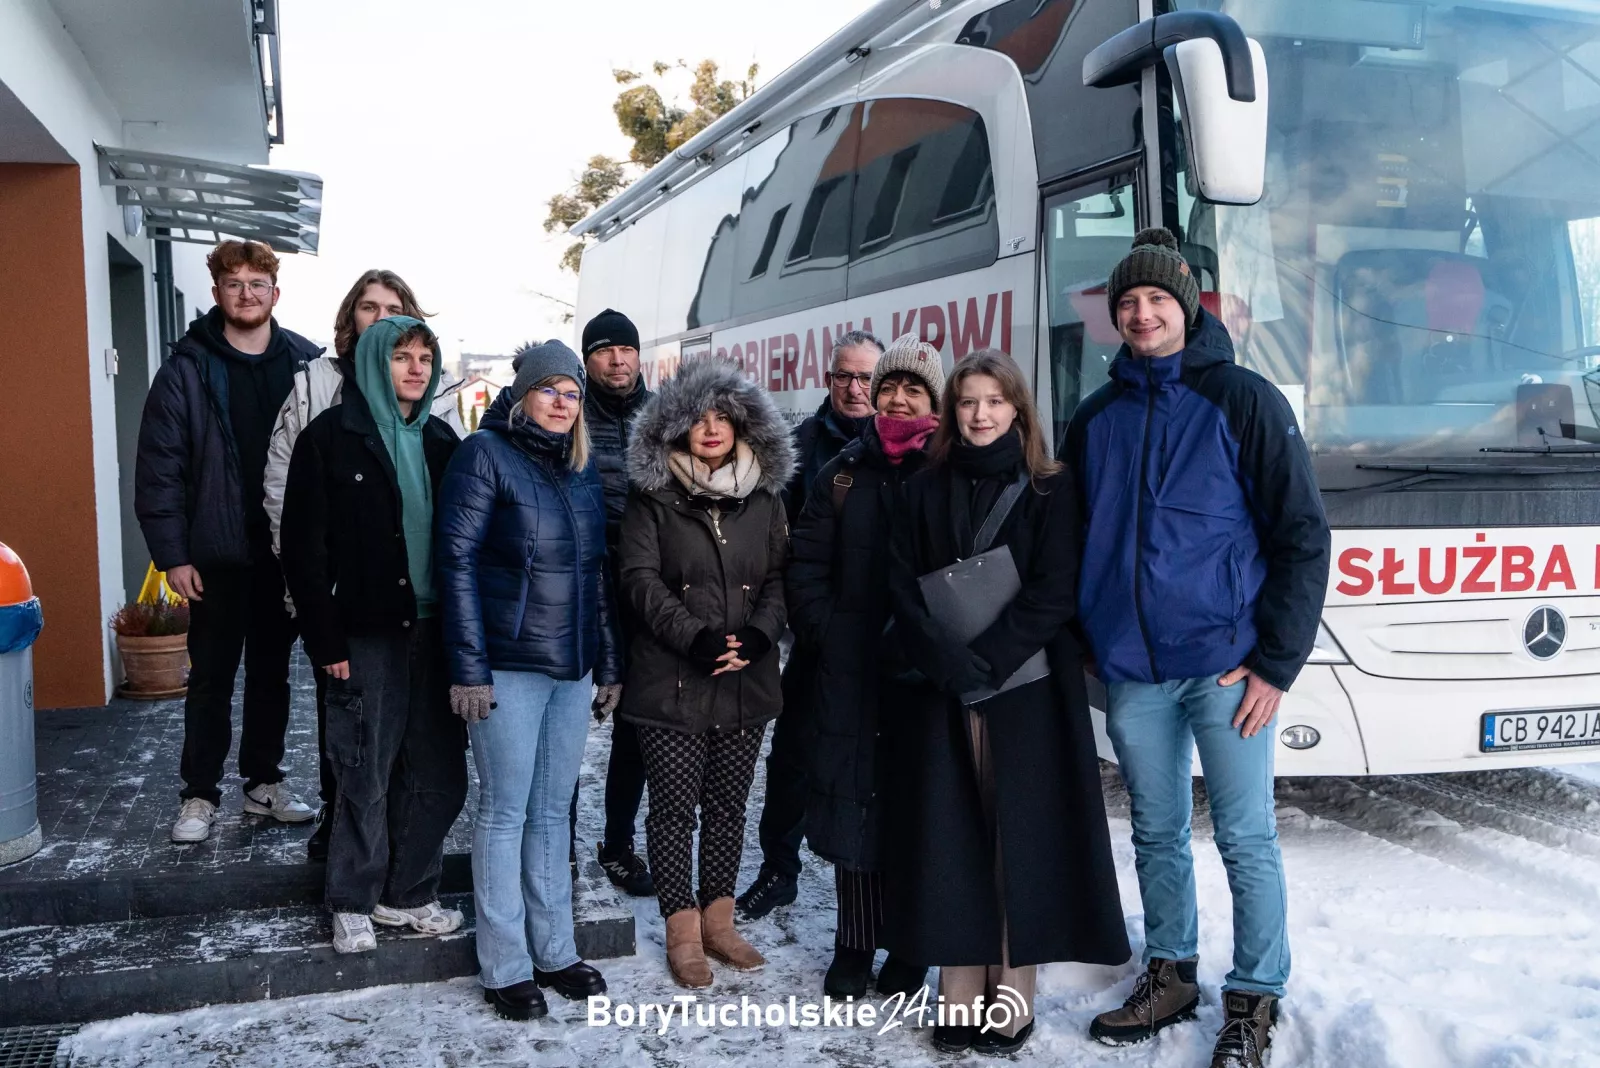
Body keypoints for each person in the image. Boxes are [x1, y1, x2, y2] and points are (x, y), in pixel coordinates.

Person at [1067, 228, 1330, 1068]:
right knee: (1155, 831)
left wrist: (1276, 664)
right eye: (1129, 302)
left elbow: (1302, 536)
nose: (1143, 314)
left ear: (1186, 307)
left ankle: (1253, 998)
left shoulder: (1243, 400)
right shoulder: (1096, 418)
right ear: (1115, 316)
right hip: (1135, 673)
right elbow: (1068, 538)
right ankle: (1171, 973)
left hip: (1227, 669)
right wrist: (1088, 637)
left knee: (1246, 838)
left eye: (1157, 299)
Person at [884, 350, 1131, 1057]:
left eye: (995, 401)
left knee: (1016, 842)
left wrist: (986, 660)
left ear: (1018, 409)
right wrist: (947, 662)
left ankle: (1013, 993)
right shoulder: (922, 488)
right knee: (952, 837)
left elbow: (1056, 589)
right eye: (968, 401)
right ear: (951, 411)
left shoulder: (1052, 487)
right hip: (944, 693)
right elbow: (899, 585)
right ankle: (959, 991)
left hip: (1029, 694)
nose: (981, 414)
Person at [436, 340, 621, 1022]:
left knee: (552, 810)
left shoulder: (580, 467)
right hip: (508, 669)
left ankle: (556, 951)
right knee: (505, 811)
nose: (562, 402)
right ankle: (506, 966)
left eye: (572, 393)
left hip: (570, 669)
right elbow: (454, 561)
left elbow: (596, 574)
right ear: (522, 394)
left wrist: (609, 663)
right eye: (550, 389)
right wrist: (468, 668)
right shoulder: (483, 456)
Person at [279, 316, 467, 955]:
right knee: (363, 770)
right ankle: (352, 901)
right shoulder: (330, 438)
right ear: (372, 363)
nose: (415, 368)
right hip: (365, 634)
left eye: (424, 358)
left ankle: (406, 894)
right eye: (401, 357)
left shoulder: (442, 440)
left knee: (438, 773)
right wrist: (325, 640)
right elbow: (303, 551)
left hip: (437, 632)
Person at [135, 239, 321, 844]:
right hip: (215, 554)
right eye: (234, 284)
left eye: (257, 284)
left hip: (283, 553)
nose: (246, 294)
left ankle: (263, 783)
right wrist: (173, 556)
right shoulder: (187, 369)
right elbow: (159, 468)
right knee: (211, 678)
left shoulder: (305, 364)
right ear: (216, 292)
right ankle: (199, 794)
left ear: (275, 293)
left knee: (272, 674)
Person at [617, 357, 794, 989]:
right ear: (677, 427)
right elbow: (638, 579)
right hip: (673, 680)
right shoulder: (653, 496)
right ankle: (683, 930)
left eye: (723, 417)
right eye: (698, 418)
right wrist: (692, 637)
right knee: (673, 811)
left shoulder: (765, 496)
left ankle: (720, 921)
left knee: (727, 807)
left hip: (746, 677)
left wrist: (760, 635)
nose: (712, 428)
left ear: (742, 425)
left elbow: (780, 576)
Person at [786, 333, 945, 1000]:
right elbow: (805, 566)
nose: (899, 399)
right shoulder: (844, 473)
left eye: (914, 388)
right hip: (854, 670)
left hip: (926, 672)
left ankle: (909, 946)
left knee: (918, 805)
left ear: (934, 400)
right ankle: (854, 941)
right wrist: (833, 635)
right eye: (891, 387)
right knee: (856, 801)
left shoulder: (947, 471)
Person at [264, 269, 432, 862]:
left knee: (402, 735)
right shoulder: (315, 387)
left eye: (394, 307)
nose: (381, 317)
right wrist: (312, 592)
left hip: (409, 606)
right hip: (341, 596)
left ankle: (389, 849)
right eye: (369, 307)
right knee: (346, 725)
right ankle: (341, 831)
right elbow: (284, 489)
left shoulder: (428, 395)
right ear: (350, 318)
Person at [738, 330, 883, 921]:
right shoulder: (798, 447)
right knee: (793, 756)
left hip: (884, 638)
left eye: (866, 377)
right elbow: (779, 545)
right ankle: (779, 869)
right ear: (828, 380)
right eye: (844, 376)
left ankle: (878, 881)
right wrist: (810, 620)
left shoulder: (906, 446)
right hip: (817, 633)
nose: (855, 388)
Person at [578, 309, 656, 897]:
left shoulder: (665, 415)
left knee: (636, 720)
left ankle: (618, 843)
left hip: (641, 582)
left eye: (626, 349)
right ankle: (555, 843)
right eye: (605, 350)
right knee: (563, 719)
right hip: (578, 582)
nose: (618, 360)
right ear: (588, 360)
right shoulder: (568, 410)